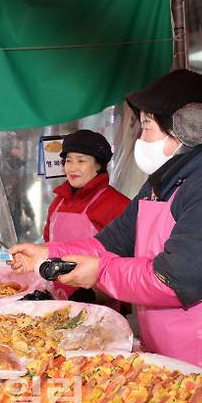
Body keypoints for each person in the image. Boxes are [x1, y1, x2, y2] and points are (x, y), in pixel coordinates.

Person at [10, 69, 202, 387]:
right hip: (179, 352)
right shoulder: (164, 180)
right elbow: (112, 242)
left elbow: (175, 279)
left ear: (187, 128)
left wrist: (100, 273)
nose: (140, 138)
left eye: (146, 126)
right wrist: (49, 252)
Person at [44, 129, 129, 301]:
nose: (72, 168)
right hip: (57, 296)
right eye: (68, 161)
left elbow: (128, 262)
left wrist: (97, 293)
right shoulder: (58, 201)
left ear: (98, 165)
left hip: (98, 299)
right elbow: (48, 243)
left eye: (81, 161)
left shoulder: (118, 204)